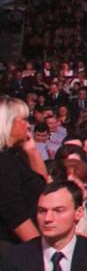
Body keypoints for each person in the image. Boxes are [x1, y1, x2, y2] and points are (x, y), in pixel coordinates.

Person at [0, 97, 47, 244]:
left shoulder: (18, 155)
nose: (28, 125)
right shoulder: (4, 161)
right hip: (12, 247)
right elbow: (15, 215)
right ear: (8, 123)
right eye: (24, 120)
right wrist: (39, 252)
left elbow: (44, 183)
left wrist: (32, 150)